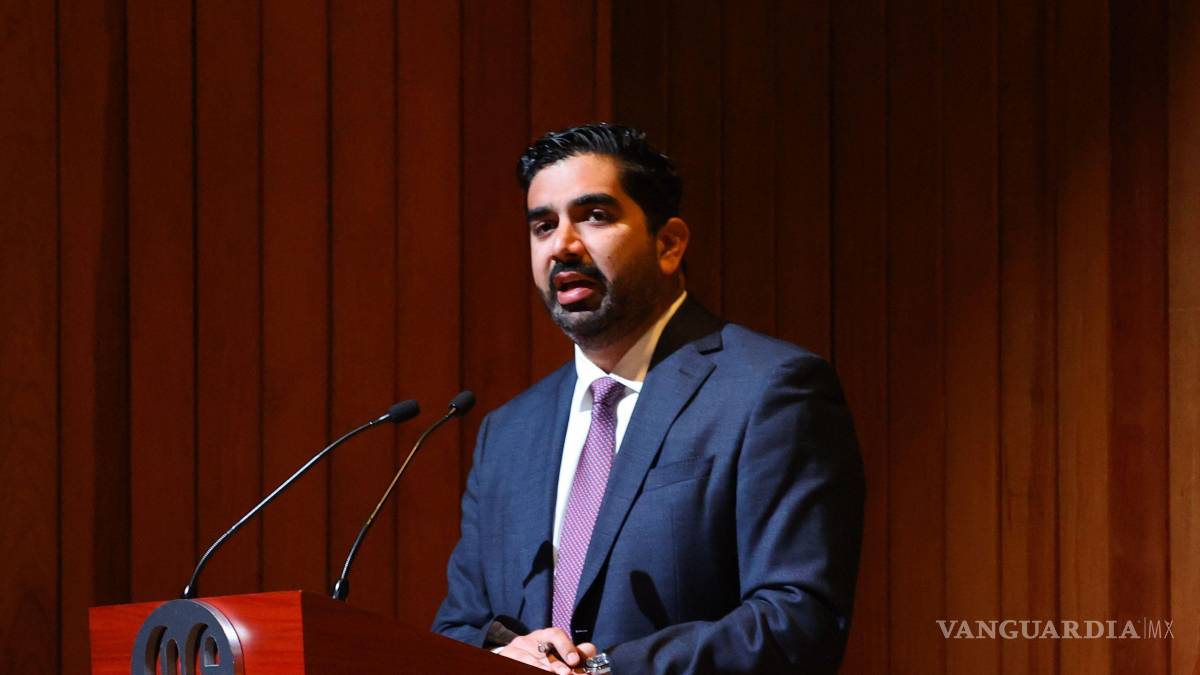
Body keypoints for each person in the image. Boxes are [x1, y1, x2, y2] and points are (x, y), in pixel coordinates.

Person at [433, 123, 865, 674]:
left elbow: (799, 619)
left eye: (594, 216)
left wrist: (606, 669)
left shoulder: (770, 391)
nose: (563, 245)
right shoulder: (508, 433)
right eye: (543, 226)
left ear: (668, 244)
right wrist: (500, 655)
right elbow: (458, 628)